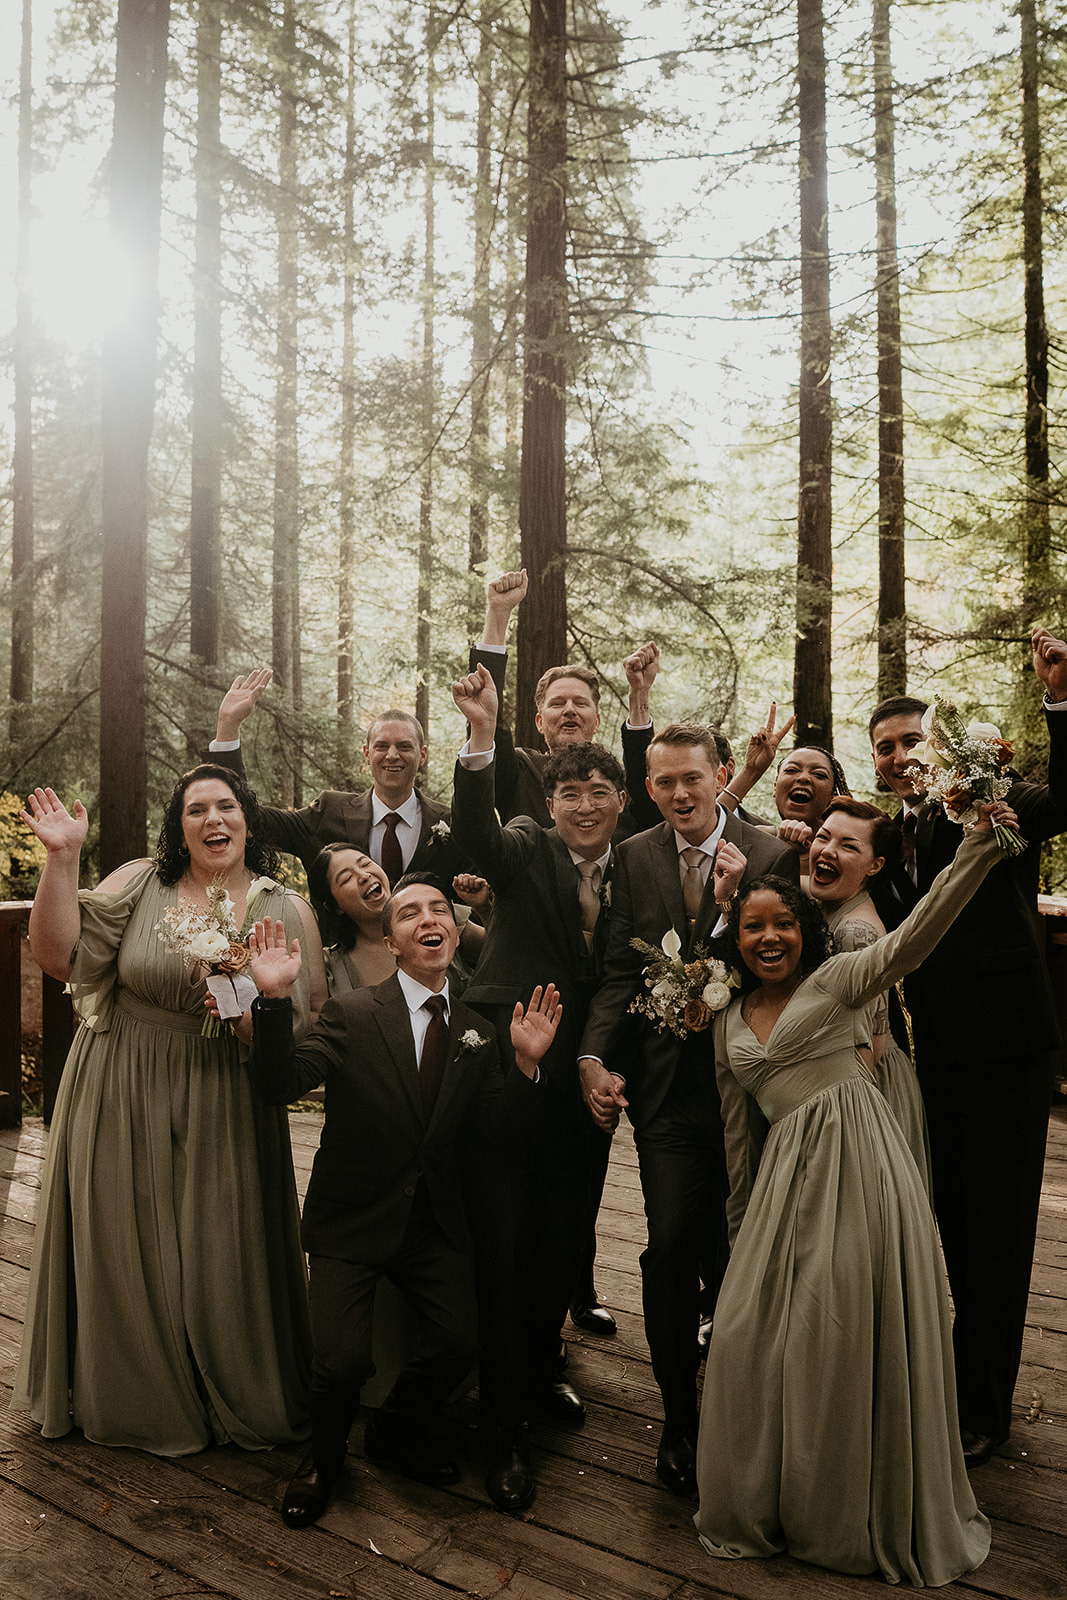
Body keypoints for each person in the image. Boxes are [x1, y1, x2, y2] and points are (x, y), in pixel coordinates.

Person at [693, 806, 1014, 1585]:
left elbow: (919, 932)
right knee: (748, 1333)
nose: (768, 938)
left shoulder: (838, 980)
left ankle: (862, 1506)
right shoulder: (726, 1023)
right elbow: (740, 1144)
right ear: (734, 942)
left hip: (863, 1169)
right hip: (783, 1190)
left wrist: (975, 849)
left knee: (843, 1326)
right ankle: (786, 1498)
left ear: (804, 930)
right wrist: (740, 1242)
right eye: (751, 928)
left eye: (781, 924)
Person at [12, 766, 325, 1455]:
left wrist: (245, 1005)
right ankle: (135, 1394)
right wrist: (61, 862)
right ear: (178, 828)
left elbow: (289, 1046)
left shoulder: (285, 909)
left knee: (221, 1243)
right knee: (125, 1242)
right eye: (196, 810)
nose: (213, 820)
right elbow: (59, 955)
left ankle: (228, 1385)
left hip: (228, 1096)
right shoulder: (137, 883)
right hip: (121, 1079)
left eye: (226, 806)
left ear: (248, 818)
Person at [246, 875, 560, 1528]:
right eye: (409, 912)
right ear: (390, 941)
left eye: (439, 909)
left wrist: (527, 1066)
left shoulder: (477, 1029)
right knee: (340, 1364)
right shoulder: (351, 1013)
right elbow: (280, 1084)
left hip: (430, 1227)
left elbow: (499, 1131)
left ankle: (394, 1431)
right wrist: (273, 998)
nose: (428, 919)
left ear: (454, 930)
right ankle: (321, 1462)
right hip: (352, 1218)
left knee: (457, 1344)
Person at [577, 722, 799, 1495]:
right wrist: (592, 1058)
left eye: (691, 780)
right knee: (669, 1246)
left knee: (741, 1255)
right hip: (666, 1096)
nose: (678, 794)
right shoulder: (635, 858)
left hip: (753, 1095)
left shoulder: (770, 855)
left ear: (721, 777)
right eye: (664, 783)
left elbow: (786, 968)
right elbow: (615, 972)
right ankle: (678, 1422)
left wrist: (732, 903)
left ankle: (749, 1417)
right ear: (649, 789)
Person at [865, 625, 1067, 1469]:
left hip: (1005, 1053)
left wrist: (1058, 694)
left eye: (912, 739)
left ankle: (982, 1407)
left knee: (996, 1235)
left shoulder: (992, 805)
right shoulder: (882, 840)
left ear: (939, 745)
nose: (900, 754)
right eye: (885, 747)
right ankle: (935, 1383)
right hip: (926, 1062)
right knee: (944, 1227)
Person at [450, 661, 628, 1508]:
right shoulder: (523, 848)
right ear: (550, 805)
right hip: (507, 1054)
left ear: (618, 801)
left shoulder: (636, 867)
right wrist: (482, 737)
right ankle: (502, 1424)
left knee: (564, 1237)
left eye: (600, 790)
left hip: (586, 1072)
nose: (586, 804)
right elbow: (477, 836)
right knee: (504, 1230)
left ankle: (536, 1369)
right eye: (572, 794)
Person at [206, 669, 469, 884]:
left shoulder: (451, 824)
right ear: (366, 753)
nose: (392, 755)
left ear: (422, 755)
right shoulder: (329, 813)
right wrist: (228, 726)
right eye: (381, 746)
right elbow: (252, 819)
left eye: (404, 746)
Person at [806, 796, 932, 1191]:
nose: (828, 850)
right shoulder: (827, 906)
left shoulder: (856, 933)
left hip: (864, 1085)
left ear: (875, 865)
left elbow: (869, 1045)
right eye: (824, 837)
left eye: (849, 846)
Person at [306, 843, 486, 996]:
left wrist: (484, 908)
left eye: (365, 864)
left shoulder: (436, 915)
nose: (364, 876)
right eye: (346, 878)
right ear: (334, 906)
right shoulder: (331, 967)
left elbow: (502, 953)